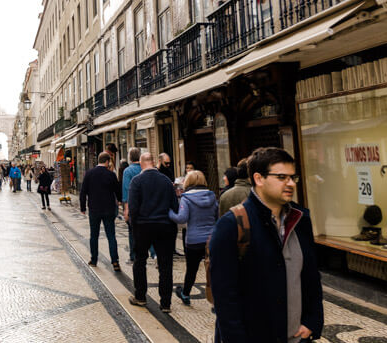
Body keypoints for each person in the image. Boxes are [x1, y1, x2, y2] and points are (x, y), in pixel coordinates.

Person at [210, 147, 323, 343]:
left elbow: (311, 278)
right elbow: (225, 299)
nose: (290, 183)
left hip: (297, 338)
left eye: (292, 177)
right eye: (281, 177)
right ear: (259, 178)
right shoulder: (232, 225)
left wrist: (312, 321)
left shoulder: (300, 221)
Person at [127, 152, 178, 313]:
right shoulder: (166, 181)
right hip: (164, 226)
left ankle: (140, 296)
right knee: (165, 264)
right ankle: (166, 303)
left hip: (143, 227)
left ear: (142, 164)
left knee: (140, 261)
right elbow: (175, 207)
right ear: (154, 162)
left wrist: (134, 226)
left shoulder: (137, 181)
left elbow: (133, 208)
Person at [168, 170, 217, 306]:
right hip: (211, 240)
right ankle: (217, 297)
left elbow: (181, 218)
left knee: (192, 270)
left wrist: (169, 212)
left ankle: (186, 293)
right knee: (213, 269)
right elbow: (216, 216)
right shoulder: (212, 196)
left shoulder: (186, 198)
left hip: (194, 240)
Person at [79, 152, 121, 272]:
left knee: (94, 236)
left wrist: (82, 207)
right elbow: (117, 191)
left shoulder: (89, 174)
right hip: (108, 210)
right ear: (107, 162)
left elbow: (83, 192)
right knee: (111, 236)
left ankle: (94, 259)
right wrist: (120, 201)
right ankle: (115, 261)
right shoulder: (111, 175)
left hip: (94, 210)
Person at [121, 147, 142, 262]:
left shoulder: (127, 171)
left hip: (133, 205)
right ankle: (154, 253)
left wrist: (126, 209)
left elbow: (126, 190)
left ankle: (133, 255)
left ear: (129, 157)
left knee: (132, 230)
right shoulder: (144, 168)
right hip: (145, 204)